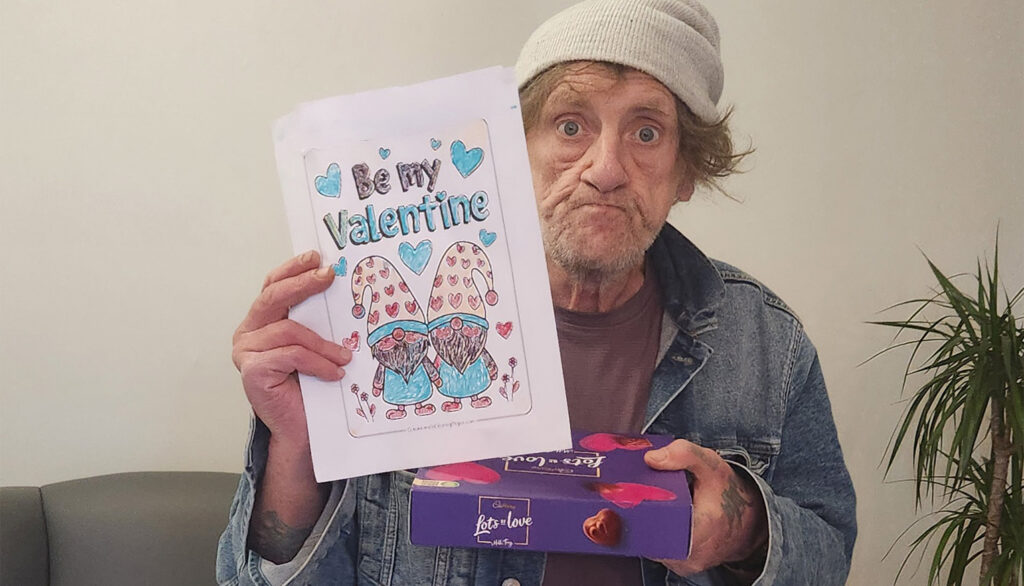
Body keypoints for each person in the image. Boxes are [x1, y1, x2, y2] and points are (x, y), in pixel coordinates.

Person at [217, 0, 857, 584]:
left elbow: (830, 553)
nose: (606, 170)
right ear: (515, 147)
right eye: (571, 125)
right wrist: (299, 447)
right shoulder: (363, 328)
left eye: (646, 132)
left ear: (685, 169)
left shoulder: (767, 345)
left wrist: (746, 529)